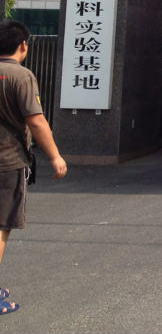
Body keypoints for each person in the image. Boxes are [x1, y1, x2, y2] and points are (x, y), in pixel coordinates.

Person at [0, 20, 68, 316]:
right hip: (7, 161)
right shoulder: (21, 76)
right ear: (23, 45)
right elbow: (36, 120)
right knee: (1, 227)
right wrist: (55, 156)